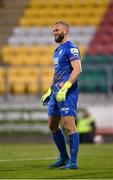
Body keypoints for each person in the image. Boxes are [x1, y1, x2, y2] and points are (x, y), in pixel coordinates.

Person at [41, 21, 82, 170]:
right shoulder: (57, 51)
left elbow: (77, 69)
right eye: (53, 31)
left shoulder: (71, 48)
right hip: (56, 92)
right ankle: (64, 157)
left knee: (69, 126)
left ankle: (73, 162)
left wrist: (66, 87)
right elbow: (57, 74)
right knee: (52, 125)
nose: (54, 32)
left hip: (67, 92)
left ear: (65, 31)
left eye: (56, 30)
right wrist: (49, 90)